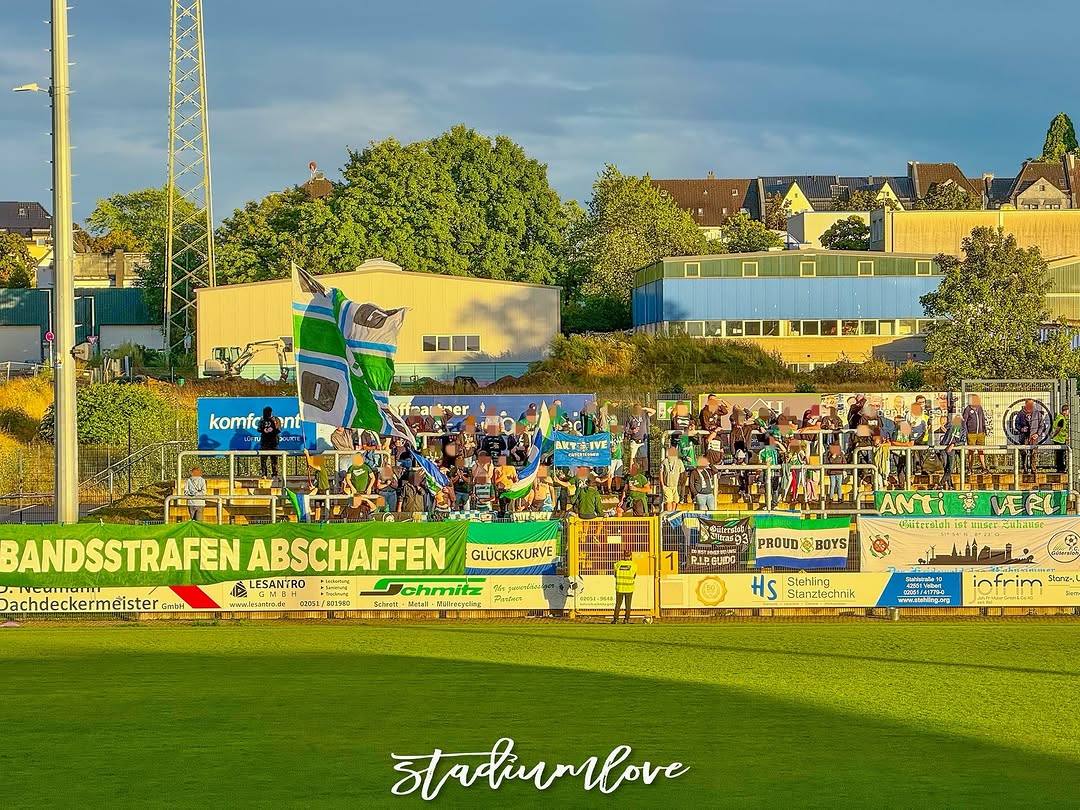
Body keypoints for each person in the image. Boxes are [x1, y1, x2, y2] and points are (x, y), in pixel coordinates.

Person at [1015, 399, 1048, 474]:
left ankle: (1033, 469)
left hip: (1034, 437)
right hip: (1024, 437)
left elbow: (1042, 425)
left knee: (1033, 453)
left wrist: (1037, 434)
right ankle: (1025, 468)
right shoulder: (1020, 413)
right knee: (1024, 453)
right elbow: (1016, 424)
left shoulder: (1037, 413)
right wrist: (1021, 429)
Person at [624, 404, 656, 473]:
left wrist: (644, 408)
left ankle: (645, 473)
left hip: (643, 440)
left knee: (644, 457)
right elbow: (626, 429)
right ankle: (631, 472)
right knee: (632, 458)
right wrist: (632, 431)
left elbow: (653, 411)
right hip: (634, 440)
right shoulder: (630, 417)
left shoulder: (644, 415)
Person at [962, 395, 988, 473]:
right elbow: (964, 422)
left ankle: (984, 467)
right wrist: (966, 432)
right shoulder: (967, 409)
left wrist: (984, 429)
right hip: (971, 434)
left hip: (980, 433)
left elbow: (982, 418)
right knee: (971, 451)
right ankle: (970, 468)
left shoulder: (980, 408)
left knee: (981, 450)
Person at [939, 415, 966, 490]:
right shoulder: (951, 425)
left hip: (952, 450)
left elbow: (963, 442)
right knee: (946, 468)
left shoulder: (962, 429)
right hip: (944, 447)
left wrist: (954, 444)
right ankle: (950, 486)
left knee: (950, 469)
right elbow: (945, 426)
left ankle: (940, 484)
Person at [612, 547, 636, 624]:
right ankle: (626, 619)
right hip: (629, 588)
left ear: (623, 555)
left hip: (620, 588)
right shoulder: (634, 565)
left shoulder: (618, 564)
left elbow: (615, 575)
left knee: (618, 604)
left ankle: (615, 620)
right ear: (630, 556)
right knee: (628, 605)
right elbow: (634, 576)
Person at [257, 406, 282, 477]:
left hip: (273, 442)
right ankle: (264, 473)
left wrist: (273, 429)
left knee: (274, 459)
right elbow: (258, 429)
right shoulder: (262, 420)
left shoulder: (276, 419)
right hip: (264, 442)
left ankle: (275, 474)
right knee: (263, 459)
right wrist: (263, 430)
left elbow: (279, 429)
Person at [659, 446, 685, 512]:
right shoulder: (665, 461)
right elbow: (661, 473)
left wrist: (681, 484)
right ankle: (668, 516)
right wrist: (663, 485)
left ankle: (672, 515)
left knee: (675, 501)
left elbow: (683, 474)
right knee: (668, 501)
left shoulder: (679, 462)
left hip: (676, 486)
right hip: (667, 486)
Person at [1052, 405, 1070, 474]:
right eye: (1068, 411)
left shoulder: (1058, 417)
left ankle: (1060, 468)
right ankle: (1061, 468)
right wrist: (1053, 436)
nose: (1068, 413)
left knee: (1059, 455)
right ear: (1065, 411)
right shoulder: (1062, 419)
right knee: (1060, 455)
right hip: (1059, 439)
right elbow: (1058, 429)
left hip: (1058, 439)